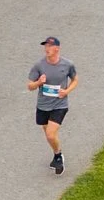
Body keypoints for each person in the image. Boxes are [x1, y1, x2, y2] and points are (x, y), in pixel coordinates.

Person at [27, 34, 78, 174]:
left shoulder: (67, 65)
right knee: (48, 133)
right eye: (45, 46)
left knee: (50, 134)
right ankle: (57, 153)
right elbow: (30, 86)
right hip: (43, 105)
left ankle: (58, 157)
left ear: (57, 48)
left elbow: (75, 80)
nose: (46, 49)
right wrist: (38, 82)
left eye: (50, 46)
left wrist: (66, 91)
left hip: (60, 105)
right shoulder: (39, 65)